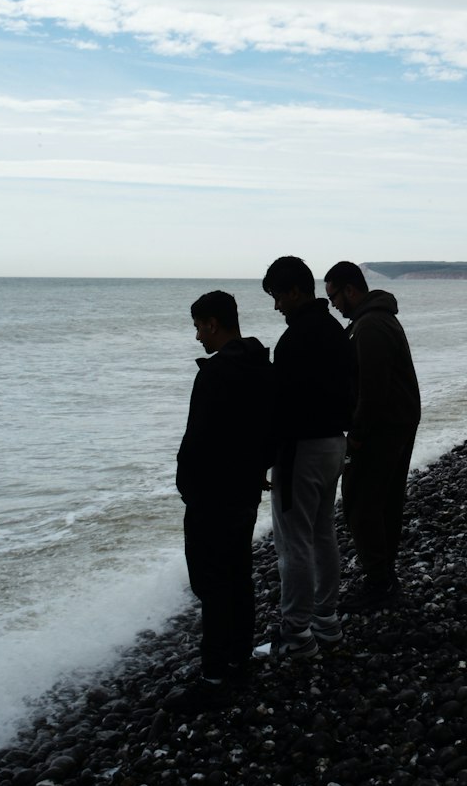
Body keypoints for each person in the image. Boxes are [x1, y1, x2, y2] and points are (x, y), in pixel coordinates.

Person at [174, 289, 272, 708]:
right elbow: (272, 424)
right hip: (245, 488)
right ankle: (239, 657)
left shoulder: (214, 374)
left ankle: (214, 676)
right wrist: (259, 469)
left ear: (213, 323)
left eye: (198, 326)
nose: (197, 336)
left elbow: (197, 439)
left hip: (212, 494)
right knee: (238, 575)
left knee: (211, 583)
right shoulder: (261, 366)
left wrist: (187, 486)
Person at [256, 256, 354, 660]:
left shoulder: (296, 339)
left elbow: (281, 407)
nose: (276, 306)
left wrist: (263, 456)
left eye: (278, 297)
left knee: (293, 544)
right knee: (322, 534)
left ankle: (296, 636)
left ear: (294, 291)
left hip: (301, 450)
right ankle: (327, 622)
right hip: (334, 444)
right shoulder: (335, 330)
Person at [324, 261, 421, 607]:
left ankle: (380, 583)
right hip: (396, 423)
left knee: (360, 503)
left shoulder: (370, 326)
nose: (333, 304)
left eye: (333, 295)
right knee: (383, 502)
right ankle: (384, 579)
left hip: (383, 428)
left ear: (350, 290)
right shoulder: (375, 319)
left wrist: (358, 436)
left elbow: (373, 390)